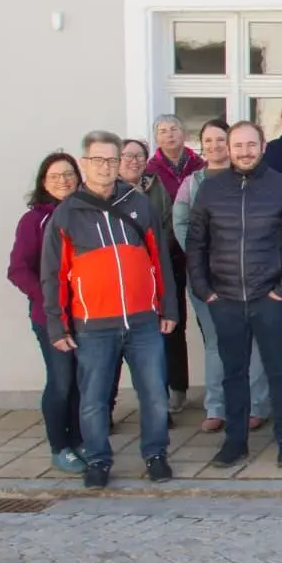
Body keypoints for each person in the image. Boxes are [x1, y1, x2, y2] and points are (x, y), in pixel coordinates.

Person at [42, 131, 178, 489]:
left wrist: (168, 307)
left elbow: (159, 259)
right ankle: (99, 460)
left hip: (143, 321)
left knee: (153, 394)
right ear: (84, 163)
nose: (105, 167)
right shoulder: (66, 215)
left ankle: (155, 455)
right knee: (95, 400)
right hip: (94, 325)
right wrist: (58, 326)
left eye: (111, 160)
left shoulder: (139, 203)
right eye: (97, 160)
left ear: (120, 163)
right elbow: (53, 275)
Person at [185, 121, 282, 470]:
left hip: (269, 297)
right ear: (228, 148)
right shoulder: (211, 188)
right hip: (224, 298)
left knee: (279, 373)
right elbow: (196, 242)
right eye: (237, 146)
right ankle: (235, 442)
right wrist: (203, 289)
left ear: (262, 146)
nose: (243, 152)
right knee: (233, 374)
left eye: (250, 145)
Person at [173, 120, 271, 434]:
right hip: (205, 276)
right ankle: (216, 407)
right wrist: (205, 259)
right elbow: (181, 226)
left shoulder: (249, 180)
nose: (215, 146)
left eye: (220, 140)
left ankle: (256, 405)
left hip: (246, 274)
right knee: (215, 342)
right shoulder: (192, 183)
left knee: (253, 341)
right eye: (209, 141)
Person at [8, 152, 83, 474]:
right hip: (50, 316)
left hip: (87, 313)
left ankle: (80, 440)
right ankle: (60, 446)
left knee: (83, 381)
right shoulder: (33, 220)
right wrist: (48, 297)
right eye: (54, 176)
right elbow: (18, 269)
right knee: (62, 380)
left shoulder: (86, 213)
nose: (63, 181)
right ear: (43, 182)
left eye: (68, 175)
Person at [144, 114, 202, 414]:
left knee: (210, 323)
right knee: (171, 323)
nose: (169, 136)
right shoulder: (148, 172)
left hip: (200, 257)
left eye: (174, 129)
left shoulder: (200, 167)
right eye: (162, 131)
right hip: (167, 258)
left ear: (184, 133)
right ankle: (176, 388)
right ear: (156, 137)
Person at [119, 138, 178, 421]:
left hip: (154, 276)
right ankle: (106, 408)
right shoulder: (109, 192)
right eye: (127, 156)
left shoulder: (156, 188)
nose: (133, 161)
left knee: (155, 347)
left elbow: (166, 225)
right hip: (119, 280)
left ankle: (159, 409)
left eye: (139, 156)